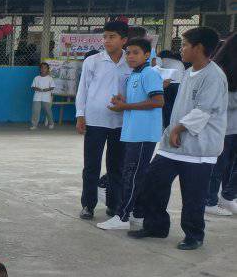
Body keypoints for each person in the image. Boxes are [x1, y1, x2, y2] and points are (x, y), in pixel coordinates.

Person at [129, 26, 227, 250]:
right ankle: (156, 226)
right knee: (153, 183)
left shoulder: (214, 76)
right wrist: (171, 131)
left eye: (184, 45)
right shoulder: (188, 71)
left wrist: (177, 129)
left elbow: (204, 111)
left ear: (198, 48)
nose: (181, 49)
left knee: (193, 196)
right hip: (172, 147)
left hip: (198, 149)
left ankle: (194, 235)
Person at [99, 37, 164, 231]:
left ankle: (123, 216)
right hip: (132, 132)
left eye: (136, 52)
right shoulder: (134, 75)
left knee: (132, 176)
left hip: (143, 134)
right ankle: (137, 213)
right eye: (128, 53)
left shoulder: (149, 74)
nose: (131, 56)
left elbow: (158, 101)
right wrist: (121, 102)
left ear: (147, 55)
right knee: (133, 174)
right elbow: (134, 101)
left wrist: (125, 106)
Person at [75, 21, 130, 220]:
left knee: (117, 166)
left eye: (112, 37)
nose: (107, 40)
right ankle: (88, 205)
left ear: (124, 40)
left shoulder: (131, 62)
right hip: (95, 120)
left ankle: (114, 205)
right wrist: (80, 114)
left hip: (121, 122)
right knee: (91, 165)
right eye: (105, 36)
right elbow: (83, 89)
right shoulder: (93, 61)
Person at [204, 33, 237, 216]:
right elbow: (221, 102)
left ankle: (227, 196)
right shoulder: (220, 70)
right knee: (219, 164)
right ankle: (210, 200)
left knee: (228, 165)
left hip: (231, 127)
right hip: (224, 128)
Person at [157, 48, 186, 129]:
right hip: (179, 85)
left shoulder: (162, 60)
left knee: (167, 107)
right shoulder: (179, 62)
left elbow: (155, 70)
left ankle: (167, 126)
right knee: (175, 106)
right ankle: (174, 125)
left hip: (168, 85)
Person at [30, 62, 56, 130]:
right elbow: (33, 87)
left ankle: (51, 123)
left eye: (45, 68)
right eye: (42, 68)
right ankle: (34, 125)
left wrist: (47, 89)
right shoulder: (36, 78)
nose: (43, 69)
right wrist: (37, 89)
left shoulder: (50, 78)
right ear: (40, 69)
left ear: (47, 69)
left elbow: (52, 87)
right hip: (37, 97)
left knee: (48, 111)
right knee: (35, 111)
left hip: (46, 97)